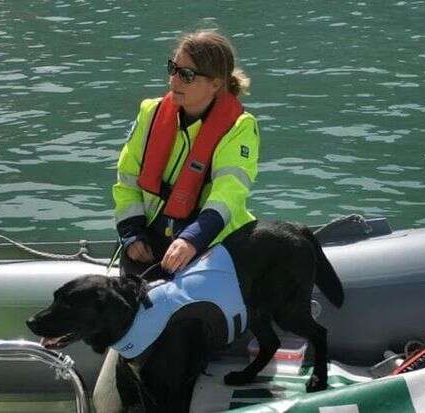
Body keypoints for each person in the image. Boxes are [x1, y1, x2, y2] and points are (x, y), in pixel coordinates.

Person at [97, 29, 260, 411]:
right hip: (152, 241)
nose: (174, 80)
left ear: (216, 83)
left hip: (209, 248)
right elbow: (126, 179)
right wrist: (132, 232)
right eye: (173, 68)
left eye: (186, 74)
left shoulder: (239, 127)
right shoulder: (151, 113)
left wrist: (191, 241)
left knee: (176, 349)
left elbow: (229, 194)